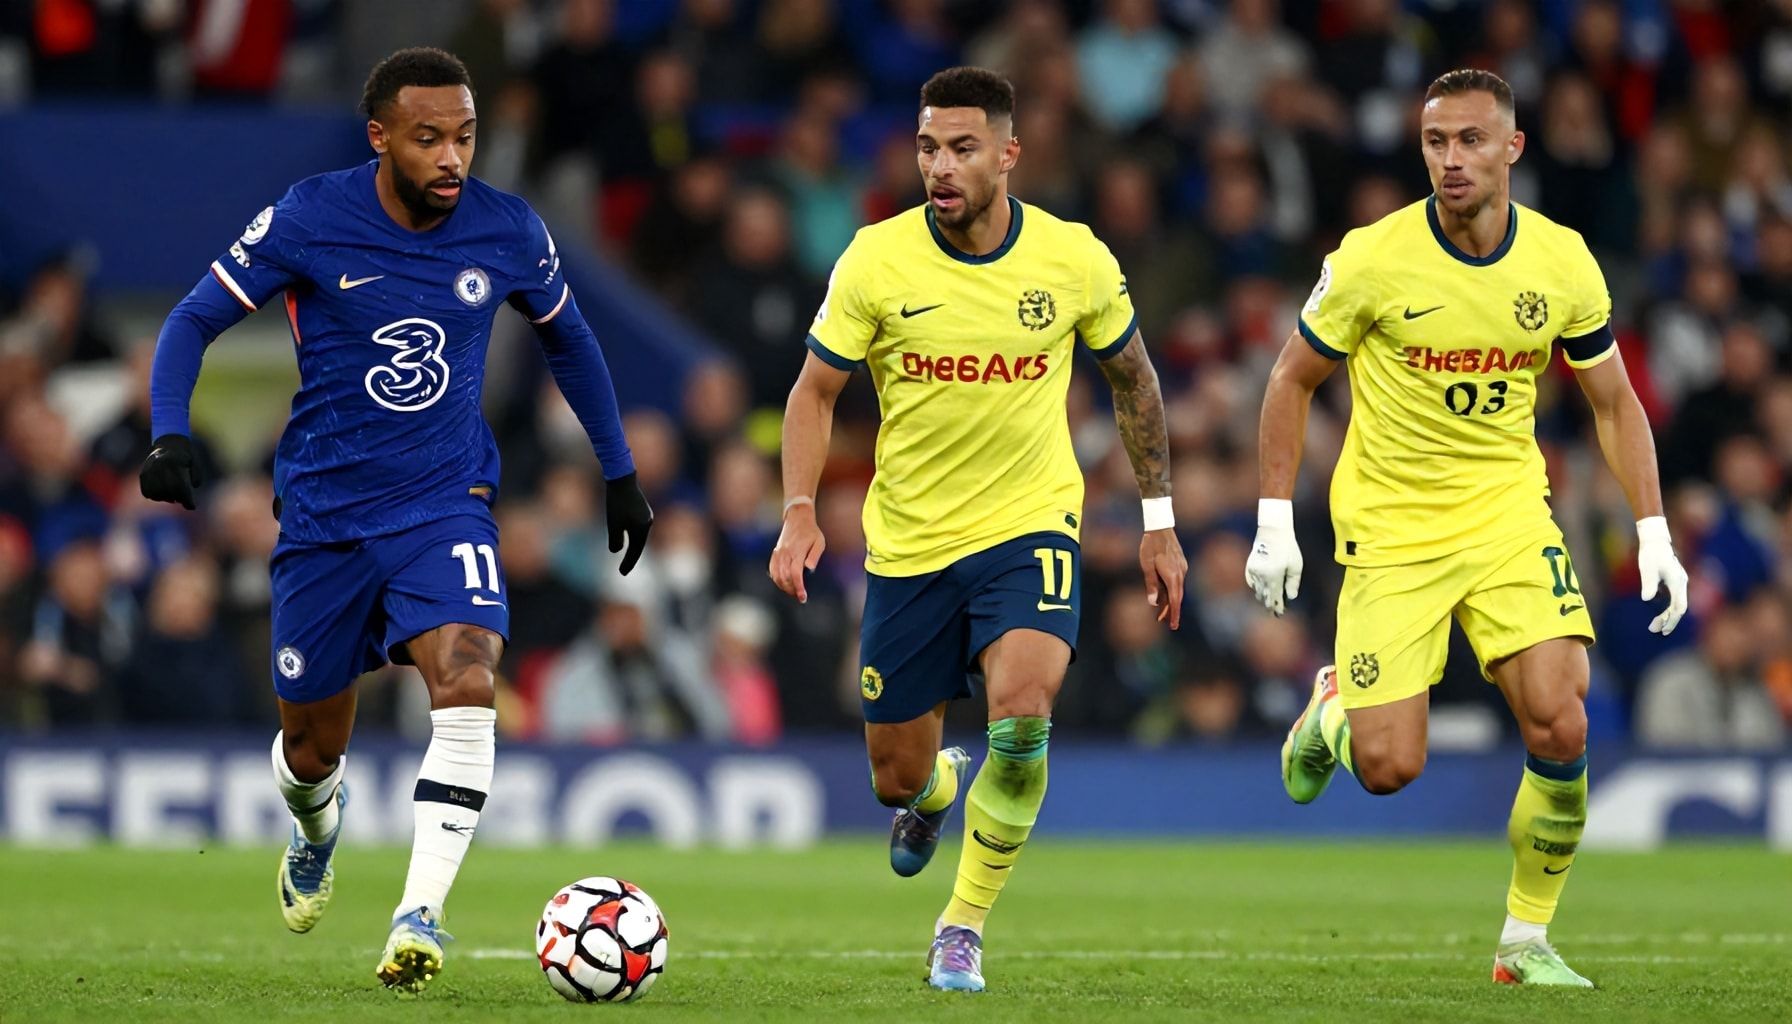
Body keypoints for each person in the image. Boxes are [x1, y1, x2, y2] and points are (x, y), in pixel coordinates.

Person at [136, 47, 652, 993]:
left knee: (468, 674)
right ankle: (315, 826)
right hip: (325, 518)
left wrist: (619, 471)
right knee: (311, 749)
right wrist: (170, 430)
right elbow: (190, 320)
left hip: (445, 504)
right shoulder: (310, 216)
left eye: (465, 136)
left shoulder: (507, 228)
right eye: (428, 138)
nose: (452, 157)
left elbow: (570, 340)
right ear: (380, 138)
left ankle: (420, 915)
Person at [1245, 69, 1690, 987]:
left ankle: (1525, 943)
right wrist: (1273, 520)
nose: (1451, 159)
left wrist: (1653, 530)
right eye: (1436, 142)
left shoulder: (1561, 261)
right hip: (1394, 527)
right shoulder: (1373, 258)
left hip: (1507, 517)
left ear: (1512, 148)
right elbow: (1291, 378)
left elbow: (1613, 402)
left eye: (1472, 140)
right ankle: (1335, 705)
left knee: (1561, 718)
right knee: (1388, 767)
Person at [768, 66, 1186, 992]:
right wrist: (798, 509)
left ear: (1008, 155)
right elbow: (815, 392)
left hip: (1031, 524)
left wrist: (1158, 521)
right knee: (893, 775)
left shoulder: (1073, 258)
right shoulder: (875, 259)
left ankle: (962, 926)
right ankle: (938, 787)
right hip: (911, 543)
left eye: (962, 148)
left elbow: (1135, 380)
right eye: (928, 148)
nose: (941, 167)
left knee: (1025, 711)